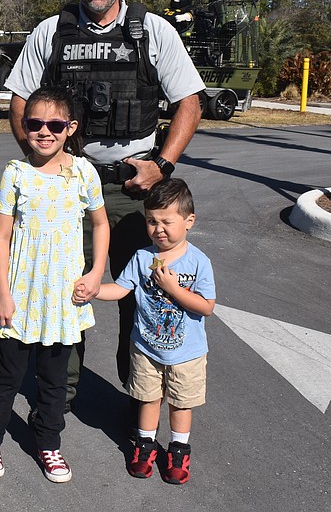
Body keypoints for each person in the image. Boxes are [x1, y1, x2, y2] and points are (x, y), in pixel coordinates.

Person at [4, 0, 205, 432]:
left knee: (139, 295)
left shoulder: (151, 30)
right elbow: (18, 101)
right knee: (69, 289)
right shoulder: (52, 32)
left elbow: (189, 104)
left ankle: (139, 395)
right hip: (72, 188)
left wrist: (162, 165)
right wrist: (46, 159)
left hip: (134, 187)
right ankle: (59, 396)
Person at [0, 88, 110, 483]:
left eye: (54, 125)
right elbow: (1, 237)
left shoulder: (84, 172)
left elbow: (100, 224)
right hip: (21, 296)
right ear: (24, 127)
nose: (45, 132)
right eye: (35, 124)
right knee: (6, 375)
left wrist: (96, 273)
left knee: (53, 380)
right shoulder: (15, 173)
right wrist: (2, 292)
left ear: (70, 128)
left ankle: (49, 443)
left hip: (64, 298)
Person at [83, 178, 215, 485]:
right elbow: (120, 288)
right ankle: (144, 447)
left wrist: (173, 288)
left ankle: (178, 450)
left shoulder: (198, 262)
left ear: (189, 221)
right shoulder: (143, 257)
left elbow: (206, 306)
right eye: (152, 221)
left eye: (167, 222)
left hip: (187, 353)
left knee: (180, 402)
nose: (159, 229)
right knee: (147, 398)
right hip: (146, 349)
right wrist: (92, 290)